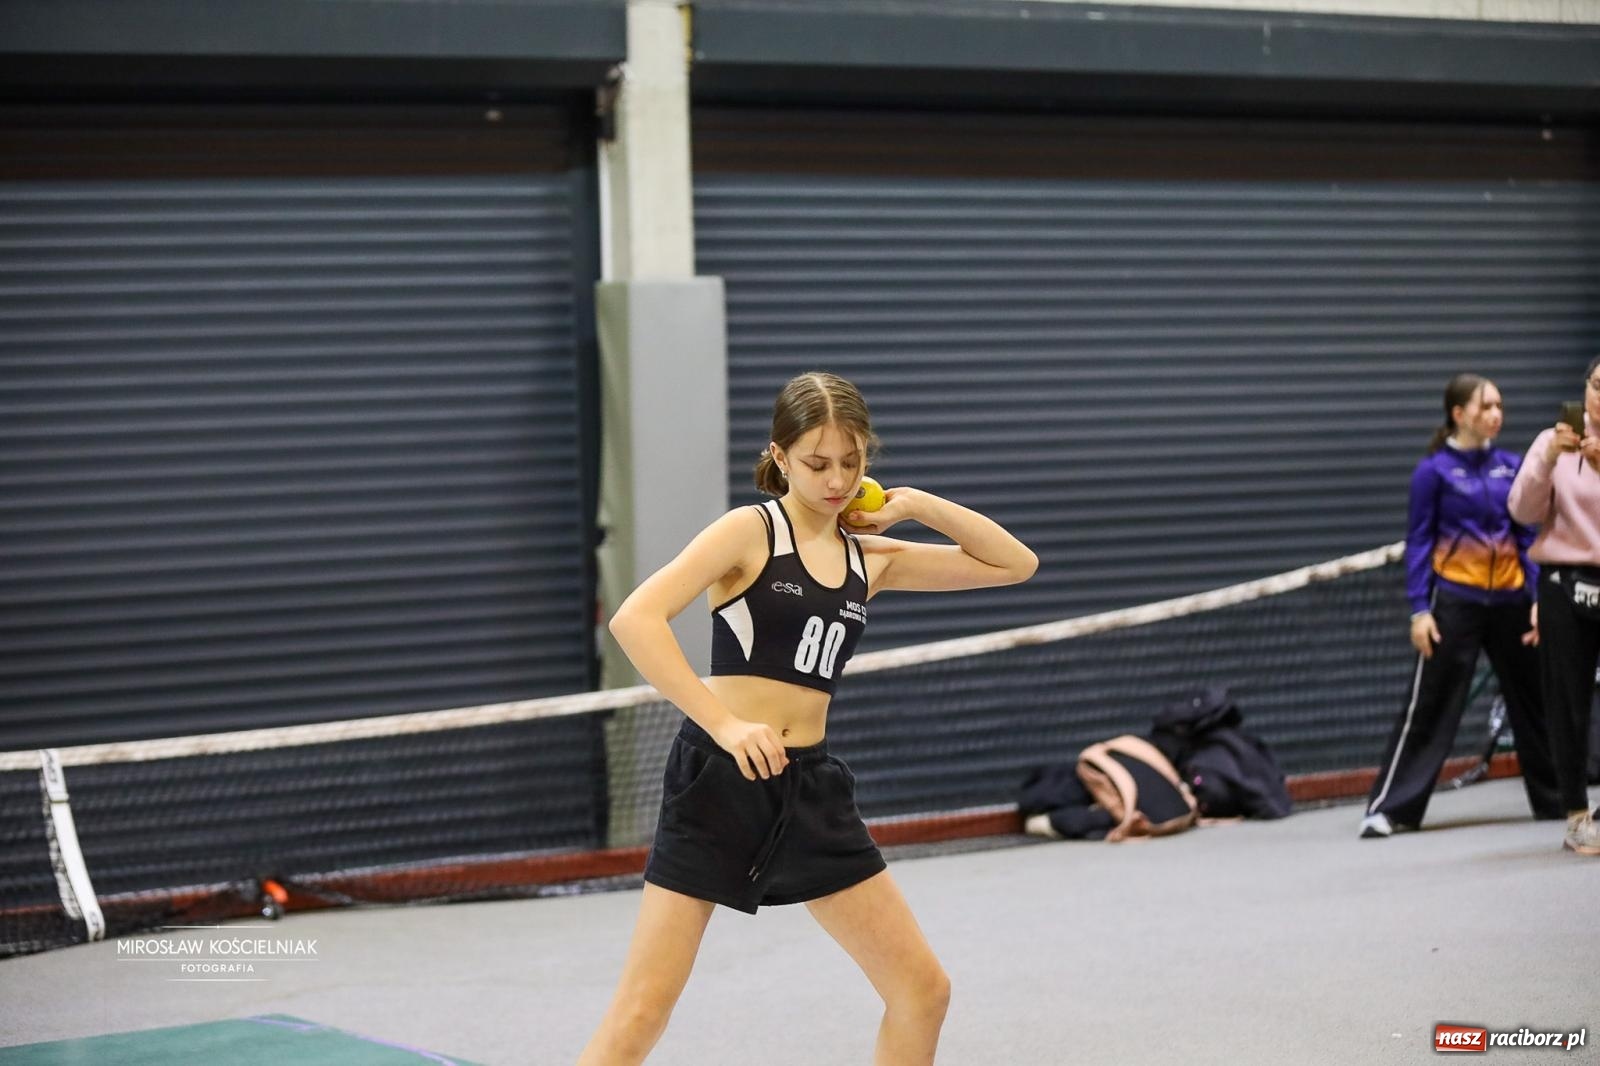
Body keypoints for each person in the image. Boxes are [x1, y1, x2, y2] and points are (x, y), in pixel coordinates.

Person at [577, 371, 1038, 1065]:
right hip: (719, 781)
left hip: (811, 790)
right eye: (818, 463)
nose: (837, 480)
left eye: (852, 463)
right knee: (643, 1009)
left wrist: (914, 504)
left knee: (922, 990)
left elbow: (1014, 564)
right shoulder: (749, 530)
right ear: (781, 456)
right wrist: (726, 726)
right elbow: (635, 618)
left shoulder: (870, 557)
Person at [1360, 373, 1563, 838]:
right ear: (1458, 414)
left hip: (1513, 600)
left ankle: (1559, 801)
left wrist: (1537, 600)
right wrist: (1419, 609)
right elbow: (1418, 543)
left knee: (1536, 703)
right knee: (1430, 706)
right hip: (1456, 602)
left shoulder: (1511, 466)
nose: (1495, 415)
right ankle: (1391, 809)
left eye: (1499, 406)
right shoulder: (1432, 473)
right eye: (1485, 406)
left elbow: (1526, 535)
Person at [1508, 355, 1600, 855]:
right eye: (1598, 386)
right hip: (1565, 583)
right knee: (1567, 701)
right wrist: (1547, 460)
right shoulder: (1552, 442)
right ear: (1585, 389)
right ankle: (1575, 814)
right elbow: (1521, 511)